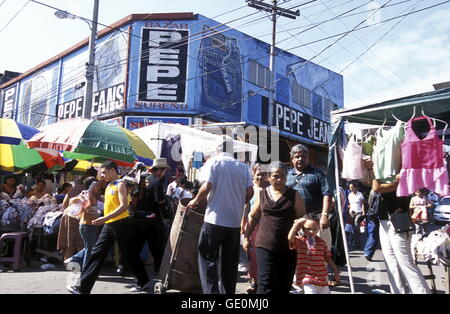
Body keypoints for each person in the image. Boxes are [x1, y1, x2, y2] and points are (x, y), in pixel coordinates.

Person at [66, 161, 150, 294]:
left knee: (129, 254)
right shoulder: (110, 185)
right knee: (97, 254)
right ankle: (83, 288)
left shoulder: (120, 184)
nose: (102, 175)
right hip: (110, 223)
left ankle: (144, 282)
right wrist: (88, 196)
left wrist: (103, 218)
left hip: (120, 223)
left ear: (112, 170)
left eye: (104, 172)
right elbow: (108, 201)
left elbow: (123, 206)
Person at [186, 135, 254, 294]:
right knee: (229, 262)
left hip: (214, 220)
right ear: (232, 149)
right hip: (234, 222)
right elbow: (250, 193)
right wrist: (237, 203)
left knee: (207, 259)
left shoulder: (214, 162)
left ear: (217, 149)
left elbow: (206, 186)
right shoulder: (242, 167)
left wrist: (194, 201)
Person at [243, 161, 305, 294]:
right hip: (265, 246)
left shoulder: (294, 195)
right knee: (265, 284)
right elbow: (253, 216)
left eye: (282, 176)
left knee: (284, 284)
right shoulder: (262, 194)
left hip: (288, 247)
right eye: (276, 176)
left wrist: (302, 234)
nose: (279, 179)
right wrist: (246, 237)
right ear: (269, 177)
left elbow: (301, 218)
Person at [372, 178, 430, 294]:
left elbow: (377, 187)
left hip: (399, 220)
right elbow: (371, 184)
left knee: (405, 262)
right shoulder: (382, 172)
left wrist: (375, 174)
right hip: (384, 220)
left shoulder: (403, 174)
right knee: (391, 264)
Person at [286, 144, 332, 249]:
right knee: (300, 251)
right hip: (297, 220)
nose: (300, 159)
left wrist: (324, 215)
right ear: (292, 158)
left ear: (308, 158)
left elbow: (327, 194)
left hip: (317, 219)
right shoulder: (287, 176)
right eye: (297, 156)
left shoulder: (318, 174)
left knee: (320, 251)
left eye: (303, 156)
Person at [131, 158, 170, 276]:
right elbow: (160, 202)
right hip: (153, 221)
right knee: (158, 249)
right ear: (159, 171)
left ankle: (131, 270)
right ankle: (159, 272)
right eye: (164, 171)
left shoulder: (142, 180)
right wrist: (167, 215)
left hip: (138, 219)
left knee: (136, 247)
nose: (164, 174)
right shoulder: (156, 182)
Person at [288, 216, 340, 294]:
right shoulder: (300, 241)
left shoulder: (321, 243)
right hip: (307, 277)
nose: (312, 231)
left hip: (322, 277)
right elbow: (290, 238)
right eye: (308, 229)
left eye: (315, 229)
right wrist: (295, 226)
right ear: (303, 229)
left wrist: (335, 270)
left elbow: (327, 257)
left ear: (318, 229)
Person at [241, 163, 269, 294]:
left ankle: (260, 282)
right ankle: (253, 280)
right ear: (253, 174)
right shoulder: (250, 188)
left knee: (260, 255)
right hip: (251, 226)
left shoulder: (269, 189)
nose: (260, 177)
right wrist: (243, 225)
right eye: (258, 174)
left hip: (265, 227)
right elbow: (246, 208)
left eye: (263, 174)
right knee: (251, 255)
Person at [64, 177, 103, 271]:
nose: (98, 187)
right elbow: (74, 202)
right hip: (87, 226)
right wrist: (84, 200)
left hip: (92, 226)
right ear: (91, 186)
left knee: (90, 248)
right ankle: (86, 269)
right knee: (90, 249)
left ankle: (74, 259)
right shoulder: (86, 195)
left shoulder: (96, 195)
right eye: (96, 185)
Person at [347, 181, 366, 249]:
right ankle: (355, 241)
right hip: (352, 212)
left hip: (358, 212)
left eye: (352, 187)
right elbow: (350, 204)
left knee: (356, 226)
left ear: (355, 187)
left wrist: (363, 212)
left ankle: (358, 242)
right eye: (350, 187)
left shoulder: (359, 194)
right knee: (352, 228)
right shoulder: (349, 195)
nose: (351, 189)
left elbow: (363, 203)